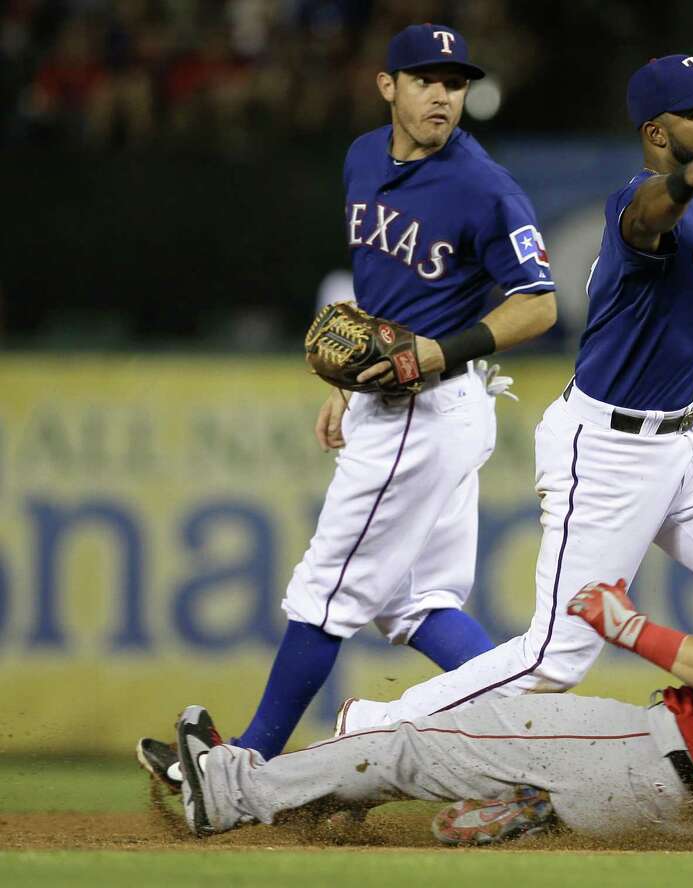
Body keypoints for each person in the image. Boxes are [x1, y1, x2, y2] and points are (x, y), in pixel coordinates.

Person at [333, 53, 693, 732]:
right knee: (553, 659)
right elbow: (649, 218)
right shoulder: (638, 207)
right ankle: (367, 729)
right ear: (656, 134)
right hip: (609, 451)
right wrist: (679, 181)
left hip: (685, 446)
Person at [153, 470, 693, 847]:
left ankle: (230, 793)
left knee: (425, 738)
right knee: (508, 760)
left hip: (657, 764)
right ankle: (524, 810)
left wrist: (629, 626)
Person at [137, 23, 557, 776]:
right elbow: (378, 297)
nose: (442, 94)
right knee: (415, 602)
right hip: (399, 405)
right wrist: (343, 385)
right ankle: (540, 742)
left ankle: (245, 763)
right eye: (426, 78)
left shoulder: (484, 186)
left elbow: (538, 305)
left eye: (454, 82)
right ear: (386, 85)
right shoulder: (362, 156)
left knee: (324, 587)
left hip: (426, 408)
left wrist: (437, 350)